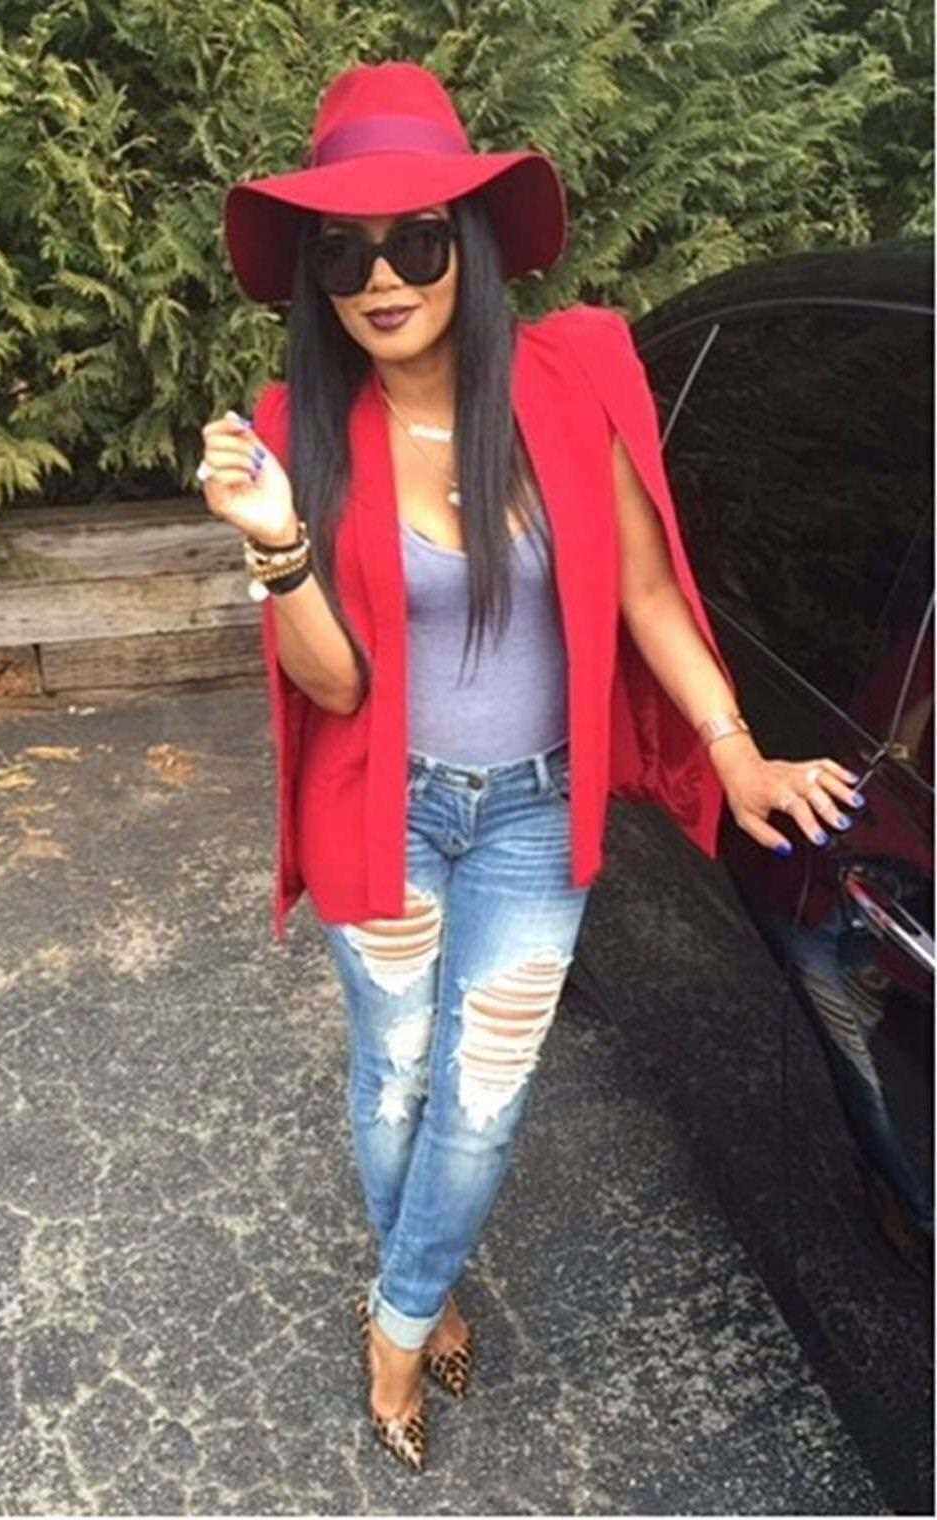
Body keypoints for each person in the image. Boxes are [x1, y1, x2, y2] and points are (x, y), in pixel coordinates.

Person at [197, 61, 865, 1473]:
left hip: (530, 815)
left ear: (472, 245)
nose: (382, 279)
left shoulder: (568, 383)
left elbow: (646, 595)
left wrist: (736, 751)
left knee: (485, 1095)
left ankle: (397, 1318)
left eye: (415, 240)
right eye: (344, 255)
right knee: (394, 1075)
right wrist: (276, 542)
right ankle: (428, 1284)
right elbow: (334, 686)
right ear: (315, 279)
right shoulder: (296, 430)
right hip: (382, 804)